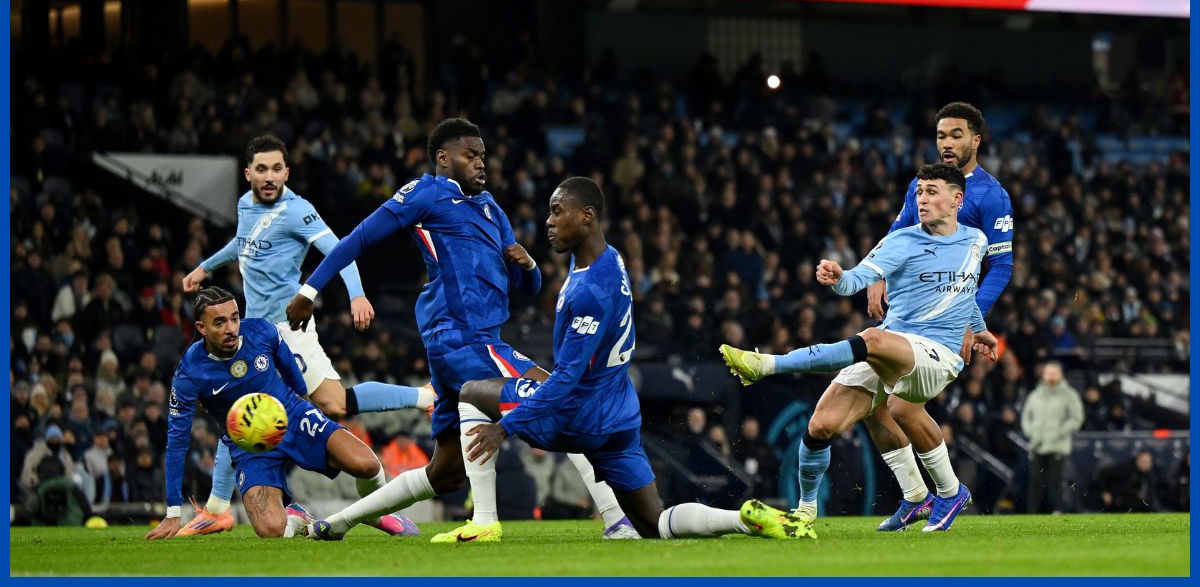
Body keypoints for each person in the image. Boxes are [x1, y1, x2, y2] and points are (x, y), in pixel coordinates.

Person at [288, 120, 636, 541]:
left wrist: (528, 267)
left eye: (483, 156)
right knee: (562, 396)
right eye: (471, 155)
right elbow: (358, 239)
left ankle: (338, 523)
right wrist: (310, 289)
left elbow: (527, 288)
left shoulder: (491, 208)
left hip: (475, 342)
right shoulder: (425, 194)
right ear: (442, 158)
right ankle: (617, 519)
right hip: (461, 338)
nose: (480, 163)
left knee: (446, 471)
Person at [450, 177, 814, 542]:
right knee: (654, 523)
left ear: (587, 216)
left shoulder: (590, 291)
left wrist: (504, 428)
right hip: (619, 411)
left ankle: (483, 522)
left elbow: (565, 380)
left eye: (557, 212)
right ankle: (742, 519)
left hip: (582, 415)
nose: (548, 221)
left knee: (471, 391)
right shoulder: (610, 258)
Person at [721, 163, 999, 532]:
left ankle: (768, 365)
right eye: (919, 192)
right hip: (898, 343)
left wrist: (978, 328)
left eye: (932, 191)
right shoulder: (901, 240)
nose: (923, 199)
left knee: (877, 354)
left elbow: (963, 295)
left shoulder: (976, 241)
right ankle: (821, 508)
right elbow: (856, 279)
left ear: (956, 199)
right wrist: (838, 278)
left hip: (940, 353)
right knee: (822, 425)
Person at [178, 135, 431, 536]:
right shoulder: (246, 205)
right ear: (248, 174)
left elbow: (341, 249)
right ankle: (223, 508)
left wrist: (357, 293)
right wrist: (205, 268)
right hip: (250, 332)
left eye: (277, 169)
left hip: (286, 330)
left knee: (332, 402)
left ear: (287, 172)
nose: (269, 176)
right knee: (244, 413)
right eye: (261, 169)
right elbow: (243, 245)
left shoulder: (298, 211)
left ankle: (421, 406)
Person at [826, 101, 1016, 531]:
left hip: (945, 325)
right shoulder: (927, 186)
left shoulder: (991, 196)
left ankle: (949, 493)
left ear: (976, 140)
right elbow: (897, 234)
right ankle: (916, 496)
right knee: (877, 405)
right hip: (905, 320)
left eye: (956, 135)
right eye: (941, 136)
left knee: (902, 406)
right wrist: (875, 276)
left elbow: (1000, 266)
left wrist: (972, 321)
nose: (947, 143)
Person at [146, 287, 407, 540]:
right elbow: (177, 441)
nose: (231, 328)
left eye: (235, 318)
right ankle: (296, 519)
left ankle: (374, 512)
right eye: (220, 322)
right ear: (201, 328)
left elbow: (291, 369)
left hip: (292, 417)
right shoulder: (190, 372)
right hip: (250, 446)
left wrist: (305, 409)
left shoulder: (261, 330)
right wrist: (172, 512)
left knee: (368, 465)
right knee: (271, 530)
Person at [1021, 361, 1084, 513]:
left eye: (1054, 373)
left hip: (1057, 445)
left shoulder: (1069, 395)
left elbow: (1076, 417)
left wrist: (1061, 432)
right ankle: (1032, 512)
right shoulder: (1036, 394)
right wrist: (1031, 432)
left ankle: (1058, 510)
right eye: (1048, 373)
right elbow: (1026, 416)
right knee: (1035, 481)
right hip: (1038, 444)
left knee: (1057, 481)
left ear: (1060, 375)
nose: (1051, 377)